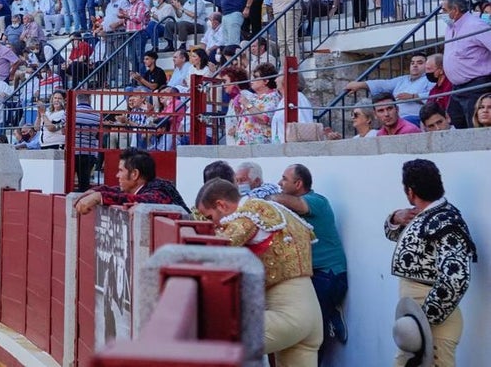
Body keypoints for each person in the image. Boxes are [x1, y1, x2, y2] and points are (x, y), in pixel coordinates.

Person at [195, 178, 322, 367]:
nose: (212, 223)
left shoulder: (247, 216)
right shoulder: (274, 209)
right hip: (311, 313)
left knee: (212, 341)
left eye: (209, 217)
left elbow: (216, 250)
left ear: (221, 205)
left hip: (286, 316)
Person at [384, 159, 477, 367]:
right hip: (416, 321)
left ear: (410, 192)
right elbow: (393, 235)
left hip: (434, 320)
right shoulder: (425, 214)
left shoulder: (446, 220)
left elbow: (456, 279)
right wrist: (396, 218)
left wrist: (424, 320)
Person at [272, 164, 349, 356]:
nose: (280, 183)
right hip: (315, 274)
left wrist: (268, 199)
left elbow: (297, 205)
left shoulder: (316, 201)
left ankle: (329, 315)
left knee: (312, 331)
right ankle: (330, 315)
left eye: (284, 179)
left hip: (329, 275)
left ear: (298, 184)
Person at [73, 147, 189, 214]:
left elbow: (146, 200)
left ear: (134, 174)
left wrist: (100, 197)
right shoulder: (146, 186)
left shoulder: (160, 190)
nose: (117, 175)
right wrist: (97, 191)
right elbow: (119, 192)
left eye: (120, 171)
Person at [440, 0, 491, 128]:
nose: (441, 13)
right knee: (456, 120)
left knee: (473, 124)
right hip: (457, 87)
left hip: (476, 85)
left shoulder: (476, 25)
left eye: (444, 10)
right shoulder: (450, 27)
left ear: (455, 10)